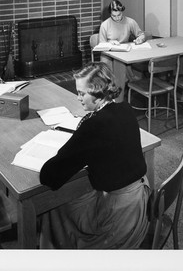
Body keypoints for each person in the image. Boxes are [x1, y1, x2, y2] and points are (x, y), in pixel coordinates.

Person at [39, 62, 150, 249]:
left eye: (82, 93)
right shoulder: (125, 109)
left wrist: (72, 146)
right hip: (140, 200)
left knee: (51, 207)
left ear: (98, 92)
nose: (78, 98)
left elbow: (49, 176)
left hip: (119, 216)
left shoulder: (93, 126)